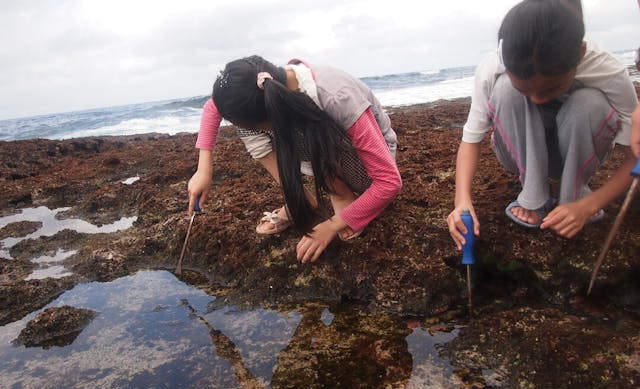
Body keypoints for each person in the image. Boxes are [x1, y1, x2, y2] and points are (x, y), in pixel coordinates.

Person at [447, 0, 638, 250]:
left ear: (579, 54)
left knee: (589, 101)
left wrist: (589, 206)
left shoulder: (607, 71)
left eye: (550, 89)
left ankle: (574, 197)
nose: (537, 99)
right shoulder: (493, 67)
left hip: (575, 154)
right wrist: (461, 200)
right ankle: (533, 197)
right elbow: (470, 142)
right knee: (505, 90)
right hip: (518, 154)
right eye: (525, 90)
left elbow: (635, 159)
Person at [188, 56, 402, 263]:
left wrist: (331, 226)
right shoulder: (263, 88)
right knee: (247, 128)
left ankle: (340, 194)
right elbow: (213, 107)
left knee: (310, 126)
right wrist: (203, 169)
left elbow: (388, 182)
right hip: (318, 142)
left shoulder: (337, 97)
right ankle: (300, 199)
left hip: (362, 162)